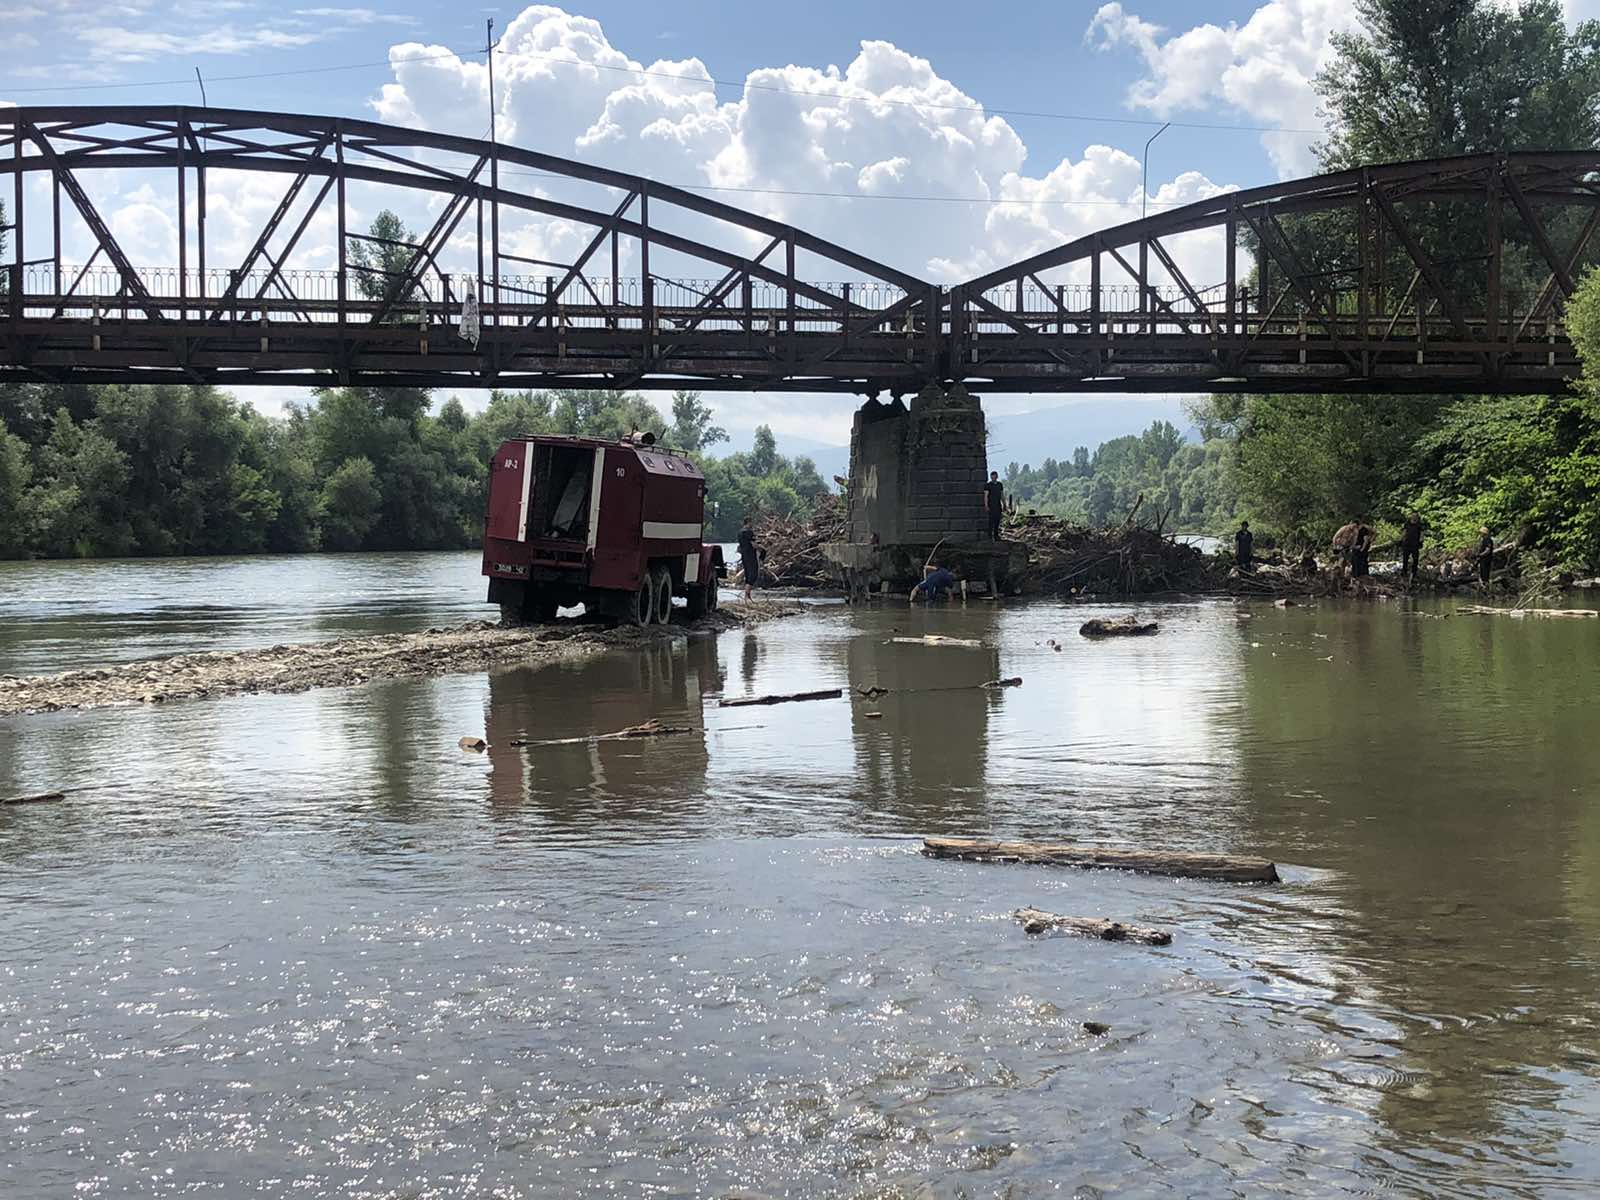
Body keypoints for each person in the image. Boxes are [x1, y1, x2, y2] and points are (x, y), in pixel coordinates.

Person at [737, 516, 761, 600]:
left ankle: (747, 596)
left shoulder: (740, 532)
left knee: (747, 574)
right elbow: (753, 544)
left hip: (744, 555)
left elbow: (739, 546)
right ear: (748, 522)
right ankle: (747, 594)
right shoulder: (749, 532)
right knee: (753, 574)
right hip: (750, 555)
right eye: (751, 522)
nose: (752, 524)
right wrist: (761, 549)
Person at [1400, 513, 1423, 584]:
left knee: (1415, 560)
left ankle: (1414, 573)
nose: (1414, 517)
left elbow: (1422, 534)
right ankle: (1404, 573)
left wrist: (1421, 541)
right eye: (1413, 516)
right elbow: (1404, 532)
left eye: (1415, 516)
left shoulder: (1419, 525)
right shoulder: (1407, 524)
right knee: (1405, 559)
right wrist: (1401, 539)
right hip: (1407, 544)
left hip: (1415, 545)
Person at [982, 471, 1005, 540]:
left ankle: (996, 535)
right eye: (992, 477)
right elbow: (986, 496)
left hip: (998, 505)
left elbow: (1002, 495)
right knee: (991, 521)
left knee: (997, 521)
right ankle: (989, 536)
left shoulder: (999, 485)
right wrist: (986, 506)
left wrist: (1004, 504)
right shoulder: (988, 485)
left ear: (996, 477)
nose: (993, 478)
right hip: (991, 506)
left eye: (994, 477)